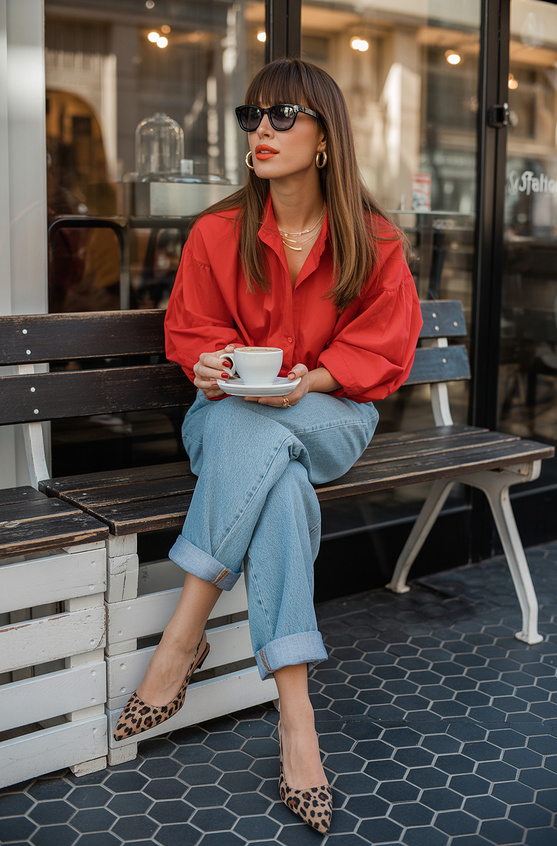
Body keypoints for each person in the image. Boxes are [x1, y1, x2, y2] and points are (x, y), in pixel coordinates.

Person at [113, 58, 422, 834]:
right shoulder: (218, 231)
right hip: (222, 416)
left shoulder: (374, 238)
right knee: (271, 475)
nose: (262, 131)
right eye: (253, 117)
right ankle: (298, 722)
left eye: (283, 117)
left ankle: (183, 638)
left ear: (324, 136)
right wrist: (212, 360)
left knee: (270, 438)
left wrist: (309, 381)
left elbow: (383, 352)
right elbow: (191, 330)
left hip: (329, 417)